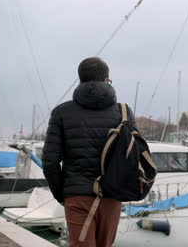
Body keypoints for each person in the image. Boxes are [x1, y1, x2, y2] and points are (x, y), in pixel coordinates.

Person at [42, 57, 137, 247]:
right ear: (106, 80)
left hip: (77, 195)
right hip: (112, 194)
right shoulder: (124, 112)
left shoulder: (61, 112)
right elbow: (134, 156)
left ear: (80, 80)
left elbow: (50, 162)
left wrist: (62, 193)